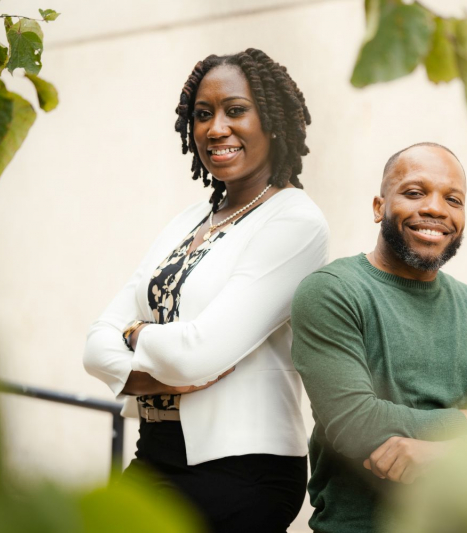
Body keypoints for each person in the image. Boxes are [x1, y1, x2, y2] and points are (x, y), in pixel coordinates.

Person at [83, 49, 329, 532]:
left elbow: (199, 354)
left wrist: (134, 335)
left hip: (242, 470)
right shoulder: (187, 221)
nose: (216, 128)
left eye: (235, 110)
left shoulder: (296, 221)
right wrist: (142, 377)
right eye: (202, 114)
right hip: (155, 453)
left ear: (274, 123)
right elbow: (95, 344)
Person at [290, 142, 467, 533]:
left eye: (454, 199)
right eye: (415, 193)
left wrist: (443, 455)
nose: (435, 208)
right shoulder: (333, 291)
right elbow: (356, 424)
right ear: (379, 206)